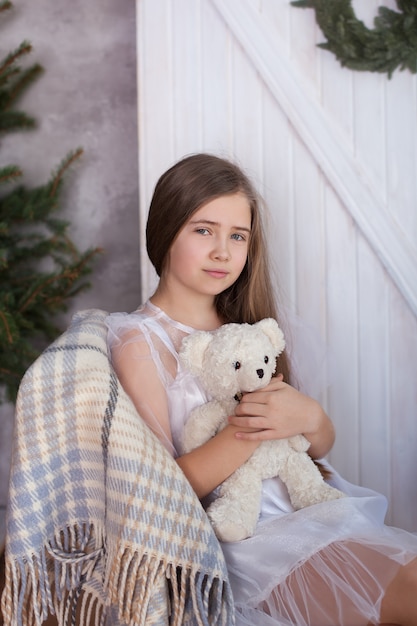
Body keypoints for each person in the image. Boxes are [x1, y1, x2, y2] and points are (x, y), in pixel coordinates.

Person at [106, 153, 417, 626]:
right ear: (165, 230)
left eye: (238, 236)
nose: (222, 252)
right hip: (250, 542)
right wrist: (246, 428)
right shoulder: (139, 342)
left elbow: (314, 447)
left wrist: (310, 417)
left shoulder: (250, 329)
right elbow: (166, 489)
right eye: (203, 230)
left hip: (310, 512)